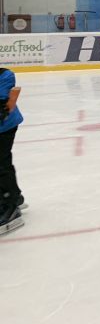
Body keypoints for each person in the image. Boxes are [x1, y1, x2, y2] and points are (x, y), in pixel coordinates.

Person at [0, 67, 26, 237]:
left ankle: (10, 205)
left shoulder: (5, 75)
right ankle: (14, 196)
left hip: (5, 127)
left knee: (1, 164)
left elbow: (3, 107)